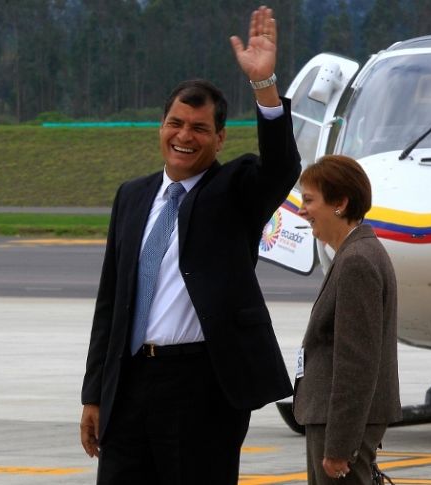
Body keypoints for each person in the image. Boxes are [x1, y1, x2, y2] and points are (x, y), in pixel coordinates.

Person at [79, 5, 300, 484]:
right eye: (175, 123)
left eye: (199, 129)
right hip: (130, 381)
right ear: (161, 126)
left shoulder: (234, 191)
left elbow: (282, 168)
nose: (184, 136)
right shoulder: (132, 196)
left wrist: (265, 87)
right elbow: (111, 303)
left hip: (201, 387)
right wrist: (94, 393)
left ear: (219, 139)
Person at [292, 154, 402, 485]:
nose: (301, 210)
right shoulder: (358, 253)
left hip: (337, 424)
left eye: (309, 200)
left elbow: (356, 362)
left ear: (340, 203)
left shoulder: (357, 262)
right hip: (333, 420)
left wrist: (340, 444)